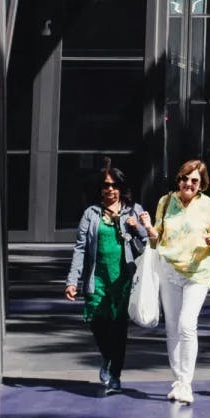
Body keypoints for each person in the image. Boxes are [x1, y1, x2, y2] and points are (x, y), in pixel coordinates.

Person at [139, 158, 210, 405]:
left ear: (202, 184)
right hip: (169, 271)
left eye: (195, 180)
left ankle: (186, 384)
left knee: (187, 325)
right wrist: (148, 228)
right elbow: (157, 238)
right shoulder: (166, 202)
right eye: (185, 179)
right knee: (172, 328)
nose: (189, 184)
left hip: (198, 273)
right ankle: (178, 381)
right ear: (179, 179)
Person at [65, 161, 151, 394]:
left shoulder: (133, 210)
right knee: (97, 322)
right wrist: (72, 281)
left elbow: (148, 244)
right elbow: (80, 249)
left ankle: (115, 375)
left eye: (114, 186)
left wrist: (138, 228)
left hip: (123, 279)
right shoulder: (91, 214)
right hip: (98, 278)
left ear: (121, 188)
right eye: (105, 186)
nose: (109, 190)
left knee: (119, 328)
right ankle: (107, 357)